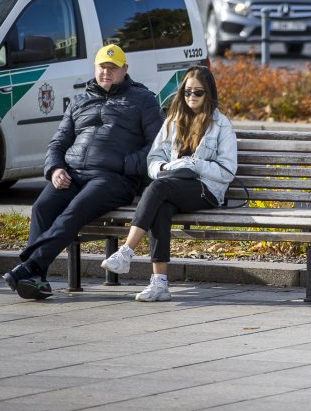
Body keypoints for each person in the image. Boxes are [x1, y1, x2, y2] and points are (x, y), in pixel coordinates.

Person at [3, 45, 163, 300]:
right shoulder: (80, 100)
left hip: (113, 179)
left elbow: (156, 147)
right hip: (73, 174)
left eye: (113, 68)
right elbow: (58, 142)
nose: (106, 73)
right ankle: (36, 279)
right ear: (95, 68)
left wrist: (123, 164)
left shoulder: (143, 100)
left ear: (125, 70)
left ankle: (29, 266)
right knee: (42, 207)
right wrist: (55, 168)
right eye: (102, 67)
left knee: (74, 211)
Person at [100, 66, 237, 302]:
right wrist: (164, 168)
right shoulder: (173, 120)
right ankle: (159, 283)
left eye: (198, 92)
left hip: (207, 190)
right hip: (173, 184)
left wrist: (194, 165)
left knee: (158, 189)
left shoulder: (221, 125)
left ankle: (127, 251)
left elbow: (227, 171)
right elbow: (154, 158)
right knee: (160, 207)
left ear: (209, 94)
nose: (191, 97)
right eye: (187, 92)